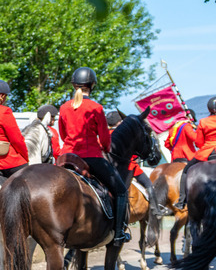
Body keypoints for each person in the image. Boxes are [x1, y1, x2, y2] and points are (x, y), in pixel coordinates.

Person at [58, 67, 130, 243]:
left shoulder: (64, 107)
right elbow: (105, 138)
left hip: (66, 156)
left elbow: (62, 133)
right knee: (121, 191)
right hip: (90, 156)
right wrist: (104, 147)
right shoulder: (96, 107)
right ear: (92, 86)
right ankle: (119, 233)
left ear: (74, 85)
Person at [107, 110, 161, 209]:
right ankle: (156, 209)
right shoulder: (124, 133)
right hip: (129, 166)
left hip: (109, 165)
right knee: (148, 184)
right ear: (120, 122)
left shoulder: (107, 133)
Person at [174, 99, 216, 210]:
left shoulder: (203, 122)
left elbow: (198, 142)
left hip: (206, 152)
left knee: (186, 170)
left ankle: (182, 200)